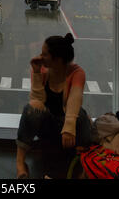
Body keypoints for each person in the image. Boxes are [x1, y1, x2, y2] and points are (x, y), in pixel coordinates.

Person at [16, 33, 92, 179]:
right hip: (48, 126)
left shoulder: (77, 73)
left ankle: (83, 166)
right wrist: (37, 72)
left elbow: (74, 100)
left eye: (45, 54)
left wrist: (69, 127)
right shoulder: (42, 70)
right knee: (30, 109)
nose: (40, 56)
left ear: (57, 59)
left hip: (68, 132)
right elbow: (37, 101)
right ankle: (20, 163)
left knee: (80, 115)